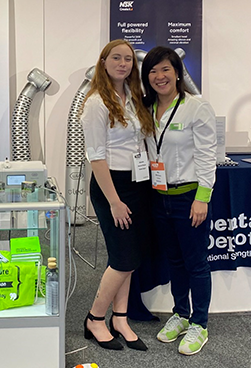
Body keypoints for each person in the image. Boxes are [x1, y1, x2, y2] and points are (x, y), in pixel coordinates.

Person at [141, 46, 217, 356]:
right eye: (153, 71)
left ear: (177, 73)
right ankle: (181, 314)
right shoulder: (146, 108)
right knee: (174, 261)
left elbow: (207, 155)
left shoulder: (195, 107)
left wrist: (202, 198)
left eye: (165, 69)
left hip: (188, 197)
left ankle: (200, 323)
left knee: (196, 263)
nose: (159, 76)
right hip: (159, 198)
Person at [81, 39, 154, 351]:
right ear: (103, 62)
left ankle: (120, 319)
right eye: (116, 58)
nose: (123, 64)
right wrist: (114, 201)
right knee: (123, 259)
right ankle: (95, 318)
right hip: (112, 186)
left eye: (128, 59)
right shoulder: (96, 103)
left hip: (138, 183)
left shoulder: (134, 97)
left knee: (131, 257)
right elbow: (96, 157)